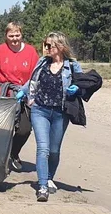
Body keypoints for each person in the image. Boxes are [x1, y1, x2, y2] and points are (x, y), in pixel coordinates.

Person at [19, 32, 82, 202]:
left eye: (49, 45)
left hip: (61, 113)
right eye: (45, 45)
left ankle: (49, 177)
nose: (46, 48)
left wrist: (76, 87)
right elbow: (31, 81)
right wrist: (21, 92)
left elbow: (84, 83)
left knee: (54, 150)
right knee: (43, 148)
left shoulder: (72, 66)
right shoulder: (42, 62)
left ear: (60, 46)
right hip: (40, 110)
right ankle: (42, 186)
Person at [0, 22, 40, 172]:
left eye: (17, 35)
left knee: (24, 129)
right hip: (3, 95)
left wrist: (32, 96)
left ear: (21, 34)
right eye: (11, 35)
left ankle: (13, 152)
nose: (14, 38)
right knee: (0, 129)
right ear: (6, 36)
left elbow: (36, 77)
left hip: (23, 95)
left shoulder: (31, 52)